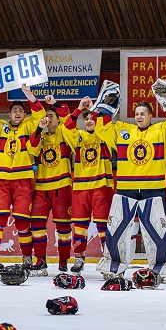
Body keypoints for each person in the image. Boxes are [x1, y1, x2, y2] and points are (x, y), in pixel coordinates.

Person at [94, 98, 166, 279]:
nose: (139, 116)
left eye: (143, 113)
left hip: (154, 188)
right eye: (136, 113)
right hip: (125, 188)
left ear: (150, 116)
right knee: (116, 230)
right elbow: (102, 129)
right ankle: (113, 267)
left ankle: (162, 269)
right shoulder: (124, 130)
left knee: (157, 232)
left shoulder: (162, 131)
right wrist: (105, 109)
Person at [0, 85, 45, 275]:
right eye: (14, 110)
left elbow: (40, 116)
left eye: (21, 110)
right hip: (2, 180)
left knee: (23, 222)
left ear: (24, 114)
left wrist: (29, 95)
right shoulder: (0, 128)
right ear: (9, 113)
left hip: (23, 180)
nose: (17, 113)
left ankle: (27, 259)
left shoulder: (29, 125)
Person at [60, 96, 114, 274]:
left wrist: (96, 109)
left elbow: (106, 121)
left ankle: (108, 259)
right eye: (87, 118)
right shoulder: (79, 137)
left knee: (103, 227)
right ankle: (79, 258)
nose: (90, 120)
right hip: (80, 188)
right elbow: (67, 126)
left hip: (101, 186)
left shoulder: (105, 134)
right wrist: (78, 109)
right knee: (80, 227)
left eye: (93, 118)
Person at [26, 97, 73, 276]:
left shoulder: (64, 131)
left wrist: (56, 104)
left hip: (62, 185)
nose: (48, 118)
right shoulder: (40, 134)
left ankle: (63, 262)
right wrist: (39, 127)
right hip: (41, 186)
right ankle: (41, 261)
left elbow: (70, 121)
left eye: (51, 115)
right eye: (46, 115)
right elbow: (31, 149)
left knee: (63, 228)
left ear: (58, 119)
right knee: (36, 225)